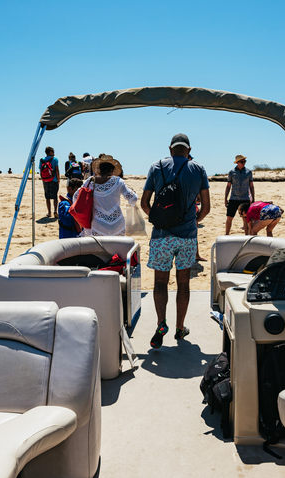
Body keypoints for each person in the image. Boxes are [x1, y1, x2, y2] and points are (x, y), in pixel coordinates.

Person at [141, 133, 210, 349]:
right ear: (188, 150)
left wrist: (160, 220)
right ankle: (180, 328)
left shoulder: (156, 167)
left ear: (171, 148)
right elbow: (206, 208)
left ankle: (161, 324)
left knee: (160, 282)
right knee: (183, 282)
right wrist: (192, 222)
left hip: (162, 236)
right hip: (187, 236)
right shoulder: (198, 169)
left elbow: (145, 203)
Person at [74, 154, 138, 236]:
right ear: (112, 170)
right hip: (117, 224)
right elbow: (133, 200)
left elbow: (76, 196)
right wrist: (132, 191)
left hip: (98, 224)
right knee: (117, 248)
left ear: (99, 169)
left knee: (99, 248)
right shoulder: (118, 181)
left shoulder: (91, 181)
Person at [224, 155, 254, 235]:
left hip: (245, 199)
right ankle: (227, 235)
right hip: (233, 198)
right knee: (229, 217)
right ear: (237, 162)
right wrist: (225, 198)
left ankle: (246, 236)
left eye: (245, 161)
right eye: (242, 162)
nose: (244, 163)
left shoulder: (249, 172)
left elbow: (251, 186)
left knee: (245, 219)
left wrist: (253, 198)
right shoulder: (231, 172)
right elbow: (228, 186)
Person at [40, 147, 60, 217]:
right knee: (55, 196)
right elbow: (57, 170)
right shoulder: (55, 159)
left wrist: (43, 179)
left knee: (47, 197)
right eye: (53, 151)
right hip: (54, 180)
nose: (54, 153)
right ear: (50, 152)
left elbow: (40, 171)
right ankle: (55, 211)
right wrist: (58, 179)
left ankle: (49, 212)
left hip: (45, 180)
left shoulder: (42, 160)